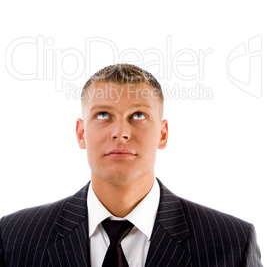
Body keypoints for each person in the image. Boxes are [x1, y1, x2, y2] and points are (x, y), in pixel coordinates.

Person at [0, 64, 263, 266]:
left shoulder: (231, 243)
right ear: (81, 133)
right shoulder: (15, 237)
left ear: (163, 134)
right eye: (103, 114)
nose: (121, 132)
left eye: (138, 115)